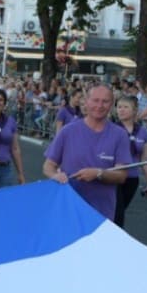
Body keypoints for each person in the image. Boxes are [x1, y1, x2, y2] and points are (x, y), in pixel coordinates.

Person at [42, 84, 130, 219]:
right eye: (95, 100)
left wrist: (99, 174)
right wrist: (55, 176)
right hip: (68, 209)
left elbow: (121, 175)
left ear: (111, 104)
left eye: (105, 101)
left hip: (101, 213)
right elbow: (48, 166)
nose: (99, 105)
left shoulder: (120, 135)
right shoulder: (68, 131)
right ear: (86, 102)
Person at [113, 95, 147, 228]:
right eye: (119, 107)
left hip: (132, 179)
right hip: (113, 178)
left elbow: (145, 159)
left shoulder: (142, 132)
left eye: (126, 107)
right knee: (117, 215)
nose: (121, 110)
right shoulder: (111, 129)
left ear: (134, 110)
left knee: (118, 213)